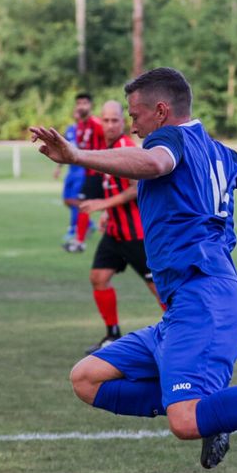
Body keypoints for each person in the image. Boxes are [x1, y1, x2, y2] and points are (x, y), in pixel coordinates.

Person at [30, 67, 237, 469]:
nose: (133, 127)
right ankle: (214, 409)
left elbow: (154, 164)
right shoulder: (222, 154)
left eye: (135, 116)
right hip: (184, 308)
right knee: (87, 378)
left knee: (186, 421)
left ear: (160, 110)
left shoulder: (170, 140)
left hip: (205, 297)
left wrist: (76, 156)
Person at [76, 100, 165, 354]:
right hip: (116, 231)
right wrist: (108, 213)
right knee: (99, 278)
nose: (110, 125)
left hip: (136, 234)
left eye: (115, 120)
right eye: (106, 120)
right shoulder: (110, 147)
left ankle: (185, 335)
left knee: (160, 290)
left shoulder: (126, 148)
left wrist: (102, 204)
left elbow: (136, 189)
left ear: (123, 122)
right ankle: (112, 334)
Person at [63, 92, 107, 253]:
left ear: (91, 105)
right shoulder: (79, 126)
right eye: (79, 103)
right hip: (89, 173)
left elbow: (110, 141)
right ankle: (79, 241)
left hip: (102, 173)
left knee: (117, 206)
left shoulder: (96, 123)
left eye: (85, 103)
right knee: (82, 204)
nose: (81, 106)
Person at [56, 120, 91, 247]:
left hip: (81, 171)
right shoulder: (70, 129)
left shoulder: (89, 131)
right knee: (67, 199)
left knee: (76, 201)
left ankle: (73, 228)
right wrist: (59, 167)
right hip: (71, 171)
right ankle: (89, 223)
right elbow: (63, 148)